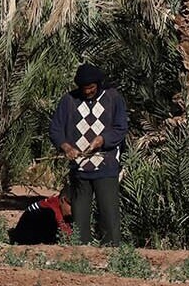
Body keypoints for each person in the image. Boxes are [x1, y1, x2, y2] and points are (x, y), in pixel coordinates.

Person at [49, 63, 128, 245]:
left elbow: (120, 128)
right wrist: (66, 147)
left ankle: (112, 251)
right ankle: (81, 252)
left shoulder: (113, 98)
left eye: (91, 87)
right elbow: (55, 130)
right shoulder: (68, 101)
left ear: (98, 84)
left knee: (109, 215)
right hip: (79, 169)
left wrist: (102, 140)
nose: (88, 91)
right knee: (79, 217)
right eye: (84, 88)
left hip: (106, 165)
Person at [8, 189, 72, 246]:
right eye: (71, 205)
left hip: (36, 235)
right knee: (49, 214)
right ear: (63, 200)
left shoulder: (61, 209)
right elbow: (65, 233)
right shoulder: (51, 208)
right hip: (26, 237)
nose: (73, 210)